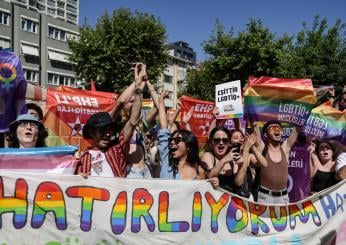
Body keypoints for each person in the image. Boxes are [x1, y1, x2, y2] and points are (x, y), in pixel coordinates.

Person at [76, 63, 144, 177]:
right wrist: (77, 178)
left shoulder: (117, 148)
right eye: (102, 130)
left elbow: (133, 122)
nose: (107, 134)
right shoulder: (83, 158)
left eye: (110, 130)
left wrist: (138, 88)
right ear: (92, 132)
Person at [157, 91, 207, 179]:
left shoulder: (199, 171)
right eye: (171, 139)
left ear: (188, 146)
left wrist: (214, 182)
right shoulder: (166, 160)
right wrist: (161, 101)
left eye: (177, 140)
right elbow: (164, 128)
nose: (172, 142)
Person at [254, 120, 299, 204]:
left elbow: (297, 127)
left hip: (283, 199)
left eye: (279, 128)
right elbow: (255, 128)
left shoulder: (285, 149)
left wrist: (301, 117)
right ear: (266, 134)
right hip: (265, 198)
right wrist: (254, 123)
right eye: (272, 128)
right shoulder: (263, 149)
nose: (277, 129)